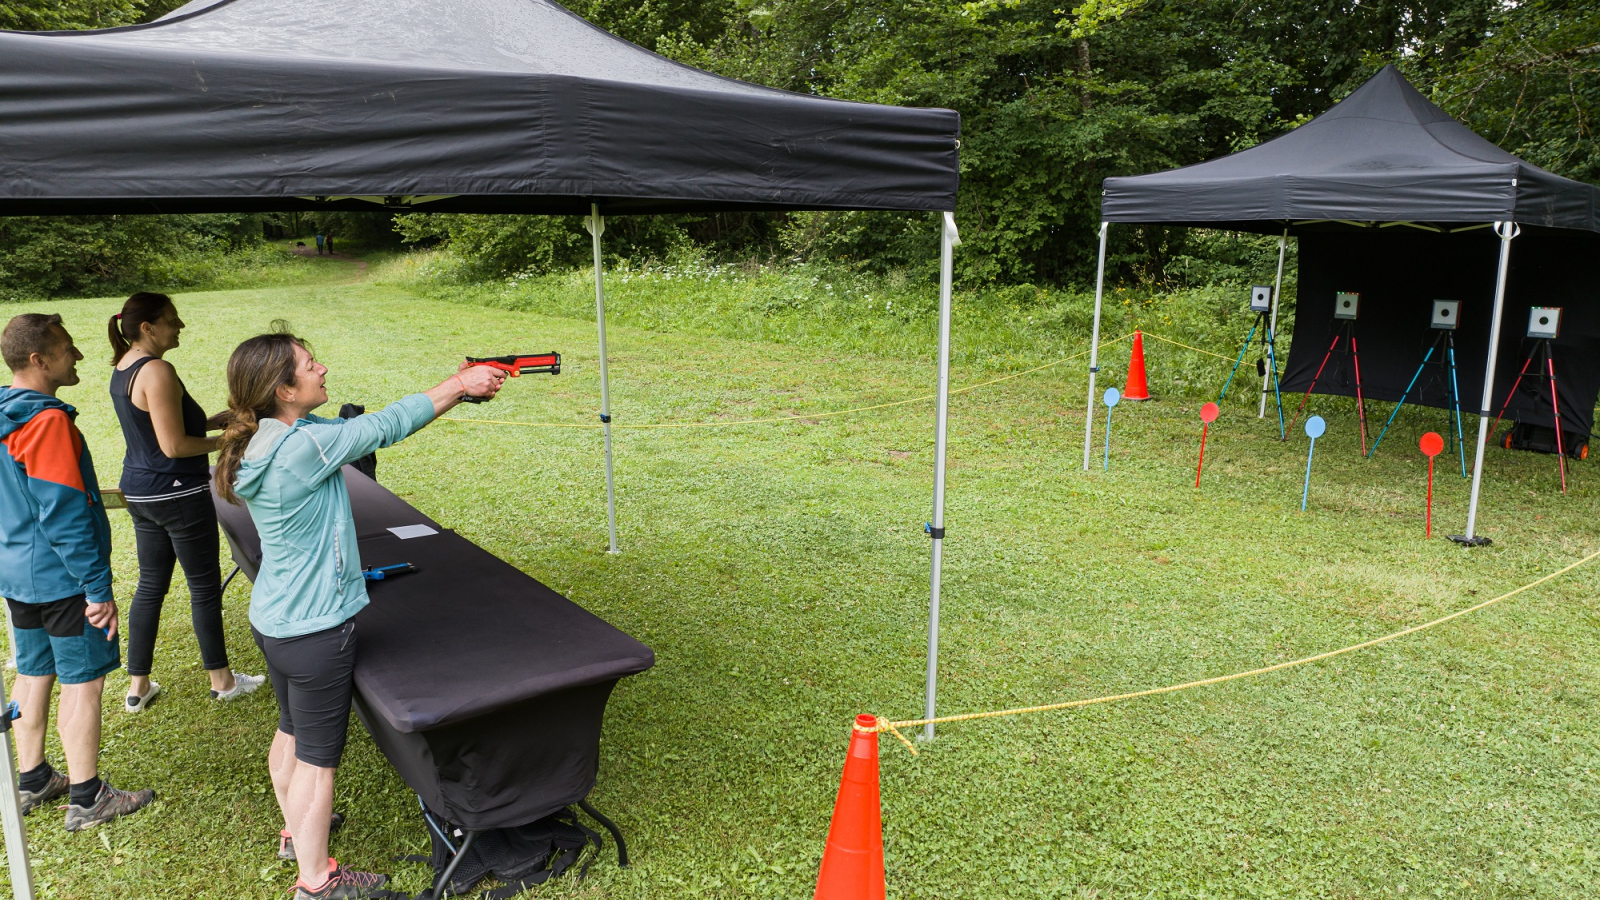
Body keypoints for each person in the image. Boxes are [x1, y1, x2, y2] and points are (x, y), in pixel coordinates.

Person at [214, 327, 505, 900]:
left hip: (277, 622)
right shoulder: (300, 447)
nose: (321, 368)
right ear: (283, 389)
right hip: (316, 629)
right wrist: (458, 383)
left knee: (291, 735)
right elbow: (384, 426)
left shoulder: (267, 436)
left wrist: (455, 395)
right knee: (318, 761)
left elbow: (357, 428)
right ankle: (318, 882)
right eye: (309, 364)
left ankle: (295, 836)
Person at [0, 314, 155, 831]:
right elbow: (64, 511)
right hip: (63, 579)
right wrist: (97, 589)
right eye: (68, 348)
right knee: (82, 682)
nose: (79, 356)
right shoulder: (45, 423)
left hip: (18, 574)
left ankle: (33, 778)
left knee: (33, 671)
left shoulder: (4, 415)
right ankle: (88, 798)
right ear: (38, 360)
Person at [108, 293, 263, 712]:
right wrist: (227, 441)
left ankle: (137, 686)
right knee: (203, 588)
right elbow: (175, 445)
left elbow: (162, 427)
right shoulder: (157, 370)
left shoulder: (123, 367)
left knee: (150, 585)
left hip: (141, 493)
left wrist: (219, 421)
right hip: (177, 492)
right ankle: (223, 681)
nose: (181, 327)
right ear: (148, 327)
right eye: (173, 320)